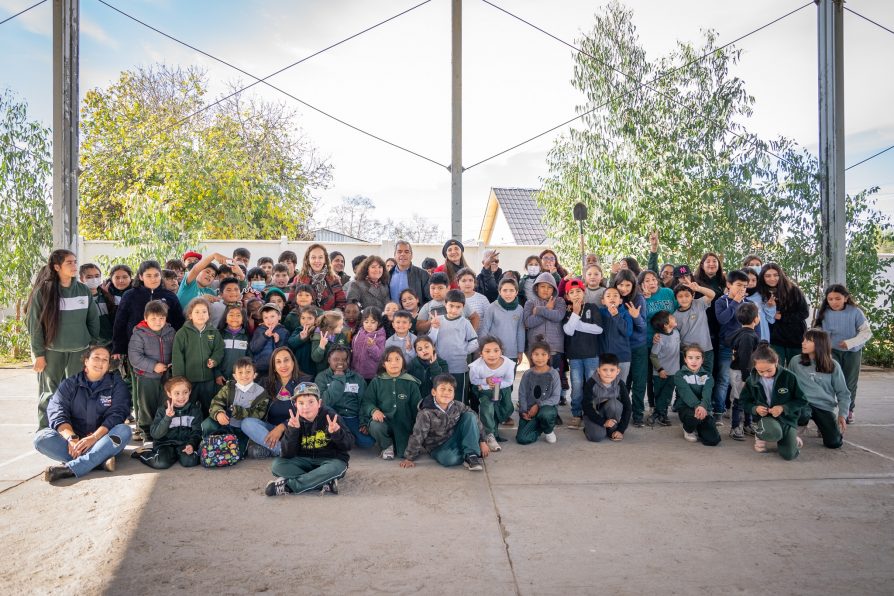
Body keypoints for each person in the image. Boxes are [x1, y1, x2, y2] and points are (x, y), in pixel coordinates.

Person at [33, 345, 132, 482]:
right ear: (86, 361)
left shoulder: (116, 384)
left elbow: (118, 414)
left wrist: (94, 438)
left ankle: (72, 468)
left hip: (103, 440)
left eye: (105, 360)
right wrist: (72, 438)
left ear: (109, 365)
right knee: (40, 439)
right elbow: (57, 411)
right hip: (75, 442)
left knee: (124, 431)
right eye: (96, 358)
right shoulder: (69, 384)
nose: (100, 362)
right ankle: (98, 460)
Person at [26, 249, 100, 429]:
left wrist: (92, 346)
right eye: (69, 262)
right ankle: (45, 430)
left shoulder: (83, 290)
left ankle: (74, 431)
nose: (74, 266)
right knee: (50, 394)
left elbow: (92, 319)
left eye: (75, 261)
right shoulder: (43, 292)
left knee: (78, 394)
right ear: (56, 266)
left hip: (80, 352)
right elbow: (34, 325)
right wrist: (39, 354)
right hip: (52, 353)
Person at [265, 382, 354, 496]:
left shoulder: (331, 417)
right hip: (304, 461)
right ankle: (322, 481)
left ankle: (289, 486)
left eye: (311, 402)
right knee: (277, 465)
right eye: (301, 403)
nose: (306, 407)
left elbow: (349, 445)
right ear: (295, 405)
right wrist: (293, 431)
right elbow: (287, 454)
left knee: (337, 467)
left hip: (329, 460)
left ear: (319, 403)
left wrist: (336, 433)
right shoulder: (294, 421)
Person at [400, 374, 489, 471]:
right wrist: (409, 457)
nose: (446, 393)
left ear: (454, 394)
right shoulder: (426, 413)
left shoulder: (458, 405)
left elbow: (475, 419)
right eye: (442, 389)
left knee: (470, 416)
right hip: (438, 446)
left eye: (450, 390)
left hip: (455, 437)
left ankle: (471, 455)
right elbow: (418, 435)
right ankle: (468, 449)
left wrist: (482, 441)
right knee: (450, 460)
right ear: (434, 392)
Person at [814, 284, 872, 424]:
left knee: (849, 382)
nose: (834, 302)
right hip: (830, 351)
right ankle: (826, 410)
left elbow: (866, 332)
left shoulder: (855, 312)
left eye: (838, 298)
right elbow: (817, 331)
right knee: (827, 381)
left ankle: (848, 411)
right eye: (830, 299)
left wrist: (850, 342)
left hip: (852, 352)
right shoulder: (823, 312)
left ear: (846, 298)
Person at [740, 344, 807, 460]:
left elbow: (802, 400)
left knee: (789, 455)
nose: (765, 374)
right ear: (754, 367)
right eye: (760, 371)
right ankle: (761, 435)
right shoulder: (751, 380)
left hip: (786, 419)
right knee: (774, 432)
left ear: (776, 362)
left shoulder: (789, 377)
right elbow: (743, 401)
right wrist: (755, 409)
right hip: (765, 419)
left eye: (769, 370)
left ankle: (789, 436)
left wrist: (783, 408)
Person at [241, 347, 310, 458]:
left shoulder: (305, 382)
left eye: (286, 360)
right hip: (271, 430)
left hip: (297, 430)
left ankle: (272, 449)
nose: (283, 365)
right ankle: (282, 450)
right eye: (278, 362)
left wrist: (282, 426)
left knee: (256, 452)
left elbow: (308, 413)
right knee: (247, 423)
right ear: (274, 367)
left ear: (293, 362)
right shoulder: (266, 383)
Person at [112, 259, 185, 361]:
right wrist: (118, 348)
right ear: (141, 277)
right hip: (137, 347)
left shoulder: (170, 296)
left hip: (165, 347)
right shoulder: (130, 295)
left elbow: (179, 322)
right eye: (148, 276)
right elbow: (120, 322)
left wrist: (181, 345)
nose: (153, 279)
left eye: (156, 275)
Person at [790, 329, 850, 450]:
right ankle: (792, 433)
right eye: (803, 340)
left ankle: (823, 427)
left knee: (834, 443)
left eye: (808, 341)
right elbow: (788, 384)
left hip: (823, 406)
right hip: (802, 404)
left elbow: (843, 392)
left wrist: (842, 414)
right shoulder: (795, 361)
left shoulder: (833, 365)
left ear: (819, 344)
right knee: (804, 412)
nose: (803, 343)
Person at [361, 347, 423, 460]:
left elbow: (417, 408)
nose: (394, 363)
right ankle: (387, 446)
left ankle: (400, 443)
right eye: (389, 360)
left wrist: (416, 430)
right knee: (375, 425)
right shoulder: (377, 381)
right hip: (384, 422)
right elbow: (367, 401)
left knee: (404, 455)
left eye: (397, 359)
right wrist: (374, 410)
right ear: (384, 364)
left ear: (403, 362)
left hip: (404, 425)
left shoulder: (410, 383)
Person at [202, 357, 270, 456]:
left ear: (254, 375)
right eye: (240, 372)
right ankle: (206, 444)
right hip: (225, 423)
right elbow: (216, 402)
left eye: (248, 372)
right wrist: (219, 413)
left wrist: (237, 411)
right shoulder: (229, 388)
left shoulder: (261, 393)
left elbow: (259, 414)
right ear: (234, 376)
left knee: (236, 453)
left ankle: (236, 446)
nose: (244, 375)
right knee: (207, 424)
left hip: (242, 429)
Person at [128, 299, 175, 440]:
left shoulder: (170, 331)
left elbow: (176, 350)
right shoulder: (139, 334)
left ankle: (162, 432)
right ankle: (146, 434)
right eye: (153, 318)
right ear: (145, 318)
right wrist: (153, 366)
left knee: (164, 403)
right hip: (146, 376)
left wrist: (173, 363)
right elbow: (134, 357)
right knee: (146, 406)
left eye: (161, 318)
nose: (158, 321)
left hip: (166, 376)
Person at [132, 376, 203, 469]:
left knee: (190, 461)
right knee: (161, 463)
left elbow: (197, 432)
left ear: (189, 392)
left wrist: (191, 444)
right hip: (165, 444)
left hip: (184, 443)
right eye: (177, 393)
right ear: (169, 394)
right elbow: (155, 434)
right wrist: (167, 417)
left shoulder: (195, 410)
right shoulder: (162, 410)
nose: (181, 397)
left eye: (185, 392)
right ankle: (143, 452)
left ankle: (176, 455)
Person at [172, 297, 225, 418]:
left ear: (208, 314)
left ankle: (208, 430)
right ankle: (188, 430)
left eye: (204, 312)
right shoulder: (182, 333)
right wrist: (180, 380)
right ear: (190, 315)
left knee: (210, 405)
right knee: (188, 406)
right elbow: (177, 357)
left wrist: (214, 360)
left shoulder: (214, 332)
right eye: (197, 312)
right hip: (189, 380)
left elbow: (219, 349)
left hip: (208, 379)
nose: (201, 315)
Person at [316, 346, 375, 449]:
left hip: (352, 417)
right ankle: (342, 437)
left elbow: (363, 402)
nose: (340, 363)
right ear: (329, 360)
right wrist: (339, 379)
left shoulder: (357, 378)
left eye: (344, 359)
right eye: (336, 359)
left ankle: (347, 437)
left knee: (367, 442)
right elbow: (323, 402)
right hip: (332, 419)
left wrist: (363, 423)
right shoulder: (321, 377)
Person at [563, 278, 603, 430]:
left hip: (592, 355)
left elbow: (598, 329)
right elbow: (567, 331)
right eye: (571, 292)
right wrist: (575, 313)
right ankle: (576, 413)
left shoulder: (592, 308)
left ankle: (591, 412)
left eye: (578, 291)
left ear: (584, 293)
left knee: (592, 384)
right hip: (575, 356)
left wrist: (576, 323)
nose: (575, 295)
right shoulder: (567, 311)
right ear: (567, 296)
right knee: (577, 386)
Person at [427, 290, 479, 405]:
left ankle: (459, 420)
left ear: (463, 307)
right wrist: (435, 328)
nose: (454, 310)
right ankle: (444, 420)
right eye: (451, 306)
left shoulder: (465, 323)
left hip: (459, 368)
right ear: (445, 304)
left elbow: (474, 342)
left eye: (458, 307)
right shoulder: (438, 320)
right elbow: (429, 343)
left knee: (459, 397)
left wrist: (463, 351)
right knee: (441, 397)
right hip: (440, 368)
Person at [523, 272, 567, 403]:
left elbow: (558, 316)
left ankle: (553, 408)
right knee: (536, 379)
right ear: (536, 287)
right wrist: (547, 309)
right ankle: (535, 405)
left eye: (549, 287)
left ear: (554, 289)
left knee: (554, 378)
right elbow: (528, 322)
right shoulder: (530, 303)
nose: (546, 290)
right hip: (536, 349)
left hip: (554, 348)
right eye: (542, 286)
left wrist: (540, 311)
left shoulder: (559, 301)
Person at [713, 269, 750, 426]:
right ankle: (719, 412)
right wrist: (735, 302)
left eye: (745, 286)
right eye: (739, 285)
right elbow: (723, 319)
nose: (742, 289)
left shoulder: (749, 303)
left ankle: (745, 415)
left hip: (745, 347)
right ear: (728, 285)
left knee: (744, 380)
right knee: (723, 379)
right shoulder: (721, 302)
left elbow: (755, 323)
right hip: (726, 346)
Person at [610, 269, 647, 426]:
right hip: (619, 348)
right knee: (622, 383)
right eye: (621, 285)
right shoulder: (612, 297)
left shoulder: (638, 299)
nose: (624, 288)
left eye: (628, 285)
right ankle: (621, 413)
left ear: (634, 285)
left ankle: (638, 415)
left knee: (639, 381)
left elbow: (643, 326)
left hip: (637, 346)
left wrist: (636, 317)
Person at [468, 336, 515, 451]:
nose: (492, 355)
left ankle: (495, 426)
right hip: (483, 390)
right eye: (487, 351)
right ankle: (489, 434)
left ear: (501, 351)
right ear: (481, 353)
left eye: (496, 350)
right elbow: (474, 381)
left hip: (502, 389)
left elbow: (509, 381)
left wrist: (496, 382)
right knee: (487, 405)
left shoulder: (508, 364)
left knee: (506, 408)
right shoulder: (475, 366)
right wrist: (485, 382)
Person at [759, 263, 809, 366]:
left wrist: (782, 317)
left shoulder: (793, 290)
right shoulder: (760, 293)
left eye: (776, 275)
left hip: (795, 338)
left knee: (797, 369)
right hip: (775, 340)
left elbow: (804, 313)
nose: (772, 278)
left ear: (781, 275)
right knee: (776, 369)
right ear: (762, 277)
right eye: (768, 276)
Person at [516, 337, 561, 445]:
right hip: (529, 412)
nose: (540, 358)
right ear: (531, 356)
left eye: (543, 354)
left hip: (545, 409)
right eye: (536, 354)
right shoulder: (527, 374)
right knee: (522, 439)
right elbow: (522, 394)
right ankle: (540, 427)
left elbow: (555, 398)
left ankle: (548, 430)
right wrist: (523, 411)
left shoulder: (553, 374)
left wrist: (538, 405)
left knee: (545, 414)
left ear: (549, 356)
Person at [672, 345, 721, 446]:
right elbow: (686, 394)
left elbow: (707, 393)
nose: (694, 361)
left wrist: (703, 406)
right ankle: (688, 429)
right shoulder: (679, 375)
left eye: (698, 358)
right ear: (685, 359)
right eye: (690, 358)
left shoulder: (708, 375)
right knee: (693, 417)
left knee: (713, 440)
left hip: (703, 408)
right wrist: (697, 406)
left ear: (702, 360)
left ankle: (699, 426)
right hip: (687, 408)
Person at [727, 302, 761, 440]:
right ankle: (735, 427)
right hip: (743, 373)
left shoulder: (740, 332)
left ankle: (747, 424)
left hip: (741, 371)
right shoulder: (748, 336)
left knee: (749, 399)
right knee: (739, 400)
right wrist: (746, 377)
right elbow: (746, 357)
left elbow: (728, 340)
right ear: (755, 319)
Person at [581, 353, 631, 442]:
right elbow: (586, 406)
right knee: (597, 436)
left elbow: (628, 407)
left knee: (615, 404)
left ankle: (612, 429)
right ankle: (590, 428)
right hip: (594, 414)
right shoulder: (591, 383)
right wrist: (602, 422)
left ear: (618, 371)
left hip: (609, 412)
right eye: (604, 370)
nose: (608, 373)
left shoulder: (620, 384)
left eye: (612, 370)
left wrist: (621, 430)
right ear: (598, 370)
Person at [672, 279, 716, 372]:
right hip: (688, 353)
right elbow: (675, 336)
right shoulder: (675, 316)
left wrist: (699, 288)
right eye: (680, 296)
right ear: (676, 298)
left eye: (687, 295)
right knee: (688, 379)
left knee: (706, 379)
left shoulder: (699, 303)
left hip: (706, 350)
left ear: (693, 296)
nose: (684, 299)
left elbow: (712, 294)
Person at [480, 278, 526, 367]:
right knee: (494, 380)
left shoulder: (520, 309)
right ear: (499, 291)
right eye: (505, 290)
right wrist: (482, 349)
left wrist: (520, 351)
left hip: (512, 352)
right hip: (493, 353)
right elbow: (485, 329)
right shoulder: (492, 307)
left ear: (516, 292)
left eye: (511, 290)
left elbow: (520, 331)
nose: (508, 294)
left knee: (508, 380)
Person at [648, 310, 680, 426]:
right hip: (660, 373)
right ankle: (661, 415)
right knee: (659, 394)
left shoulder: (676, 333)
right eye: (671, 317)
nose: (674, 317)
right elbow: (653, 356)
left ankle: (658, 414)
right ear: (666, 325)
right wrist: (660, 369)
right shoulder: (659, 338)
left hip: (673, 372)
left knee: (667, 394)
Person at [295, 243, 347, 311]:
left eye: (320, 257)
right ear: (308, 259)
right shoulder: (299, 279)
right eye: (313, 257)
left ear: (325, 259)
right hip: (305, 319)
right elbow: (293, 303)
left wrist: (333, 315)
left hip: (328, 319)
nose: (317, 261)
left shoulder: (334, 279)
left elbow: (342, 303)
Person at [79, 263, 116, 347]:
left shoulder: (107, 296)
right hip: (90, 344)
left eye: (97, 276)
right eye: (89, 277)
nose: (94, 279)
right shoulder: (79, 298)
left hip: (110, 341)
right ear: (81, 278)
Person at [249, 302, 289, 376]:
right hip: (259, 368)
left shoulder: (284, 332)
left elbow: (285, 352)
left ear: (279, 317)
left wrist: (278, 342)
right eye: (266, 317)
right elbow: (253, 348)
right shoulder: (259, 330)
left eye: (272, 316)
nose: (269, 320)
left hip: (276, 369)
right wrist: (264, 336)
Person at [215, 304, 250, 385]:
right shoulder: (219, 335)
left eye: (238, 315)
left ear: (243, 320)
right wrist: (217, 374)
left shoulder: (247, 337)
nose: (234, 317)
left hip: (241, 379)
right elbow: (214, 357)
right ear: (225, 319)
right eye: (231, 315)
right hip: (221, 379)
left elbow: (250, 358)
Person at [407, 335, 449, 400]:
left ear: (433, 348)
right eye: (420, 349)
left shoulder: (442, 363)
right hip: (418, 402)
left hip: (436, 401)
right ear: (417, 353)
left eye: (427, 347)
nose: (424, 350)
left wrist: (434, 364)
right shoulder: (412, 365)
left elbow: (441, 384)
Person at [352, 306, 387, 381]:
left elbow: (379, 356)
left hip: (371, 375)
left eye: (373, 322)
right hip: (356, 372)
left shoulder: (381, 337)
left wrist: (372, 346)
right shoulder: (358, 334)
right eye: (366, 322)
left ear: (379, 322)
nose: (369, 325)